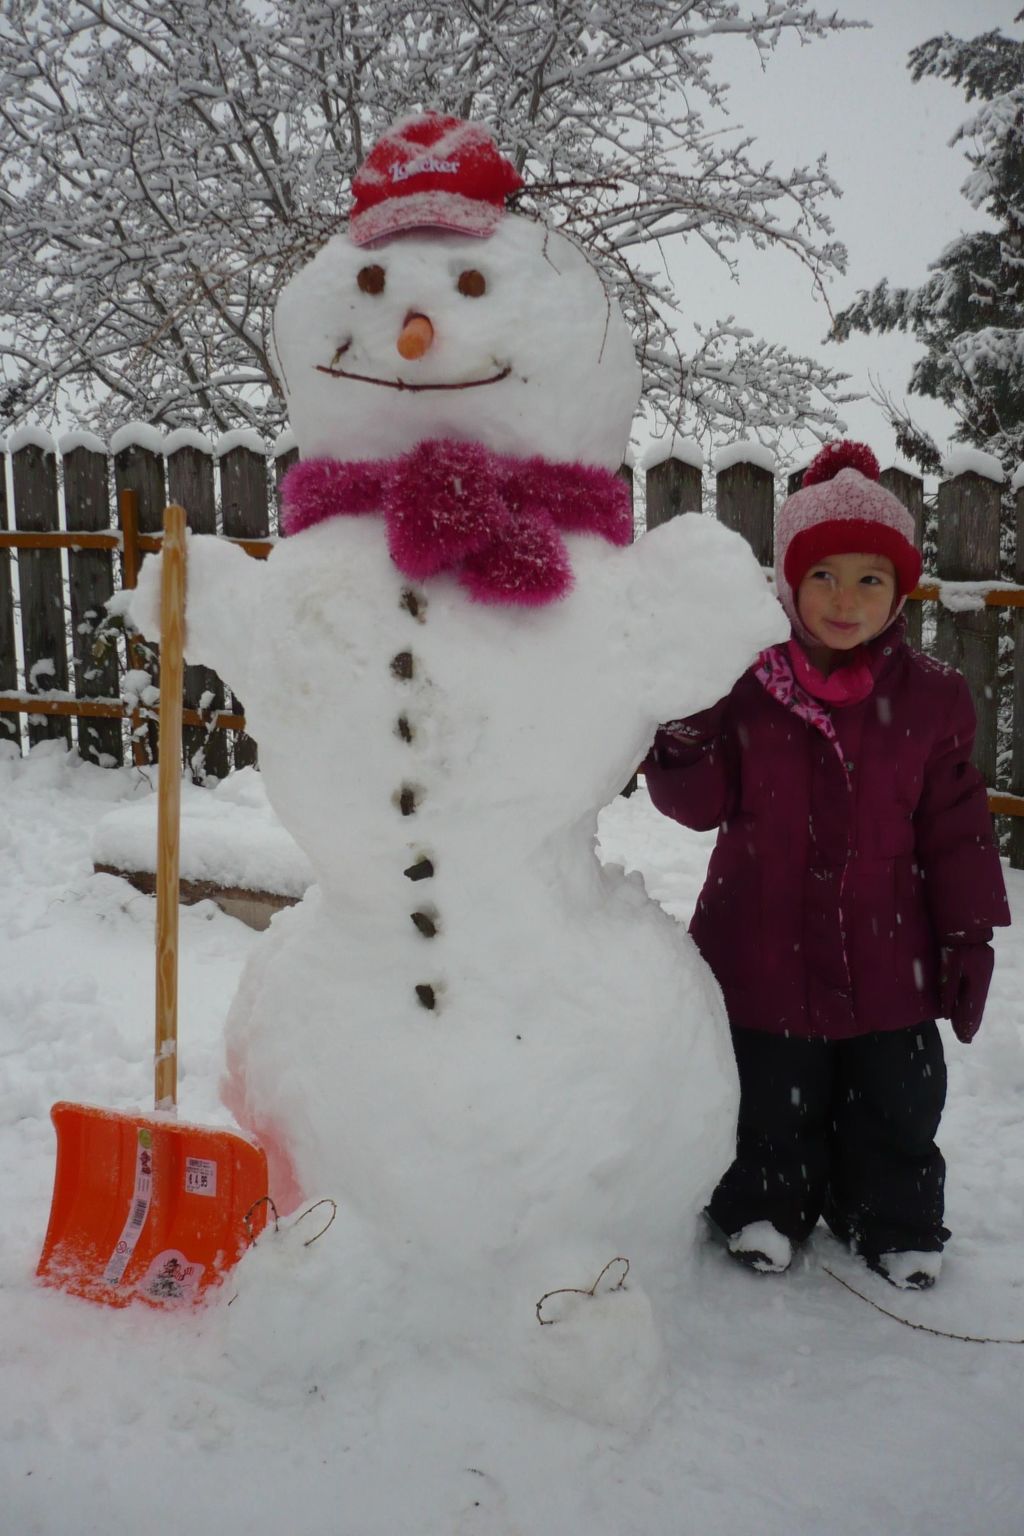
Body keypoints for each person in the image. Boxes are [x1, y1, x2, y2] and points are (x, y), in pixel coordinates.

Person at [643, 440, 1011, 1290]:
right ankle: (765, 1209)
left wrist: (968, 937)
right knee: (771, 1096)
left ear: (900, 591)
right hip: (761, 941)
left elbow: (957, 829)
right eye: (825, 577)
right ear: (790, 584)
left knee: (898, 1099)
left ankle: (891, 1218)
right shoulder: (743, 685)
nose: (846, 600)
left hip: (892, 953)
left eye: (870, 579)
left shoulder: (931, 698)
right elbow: (695, 808)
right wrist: (687, 733)